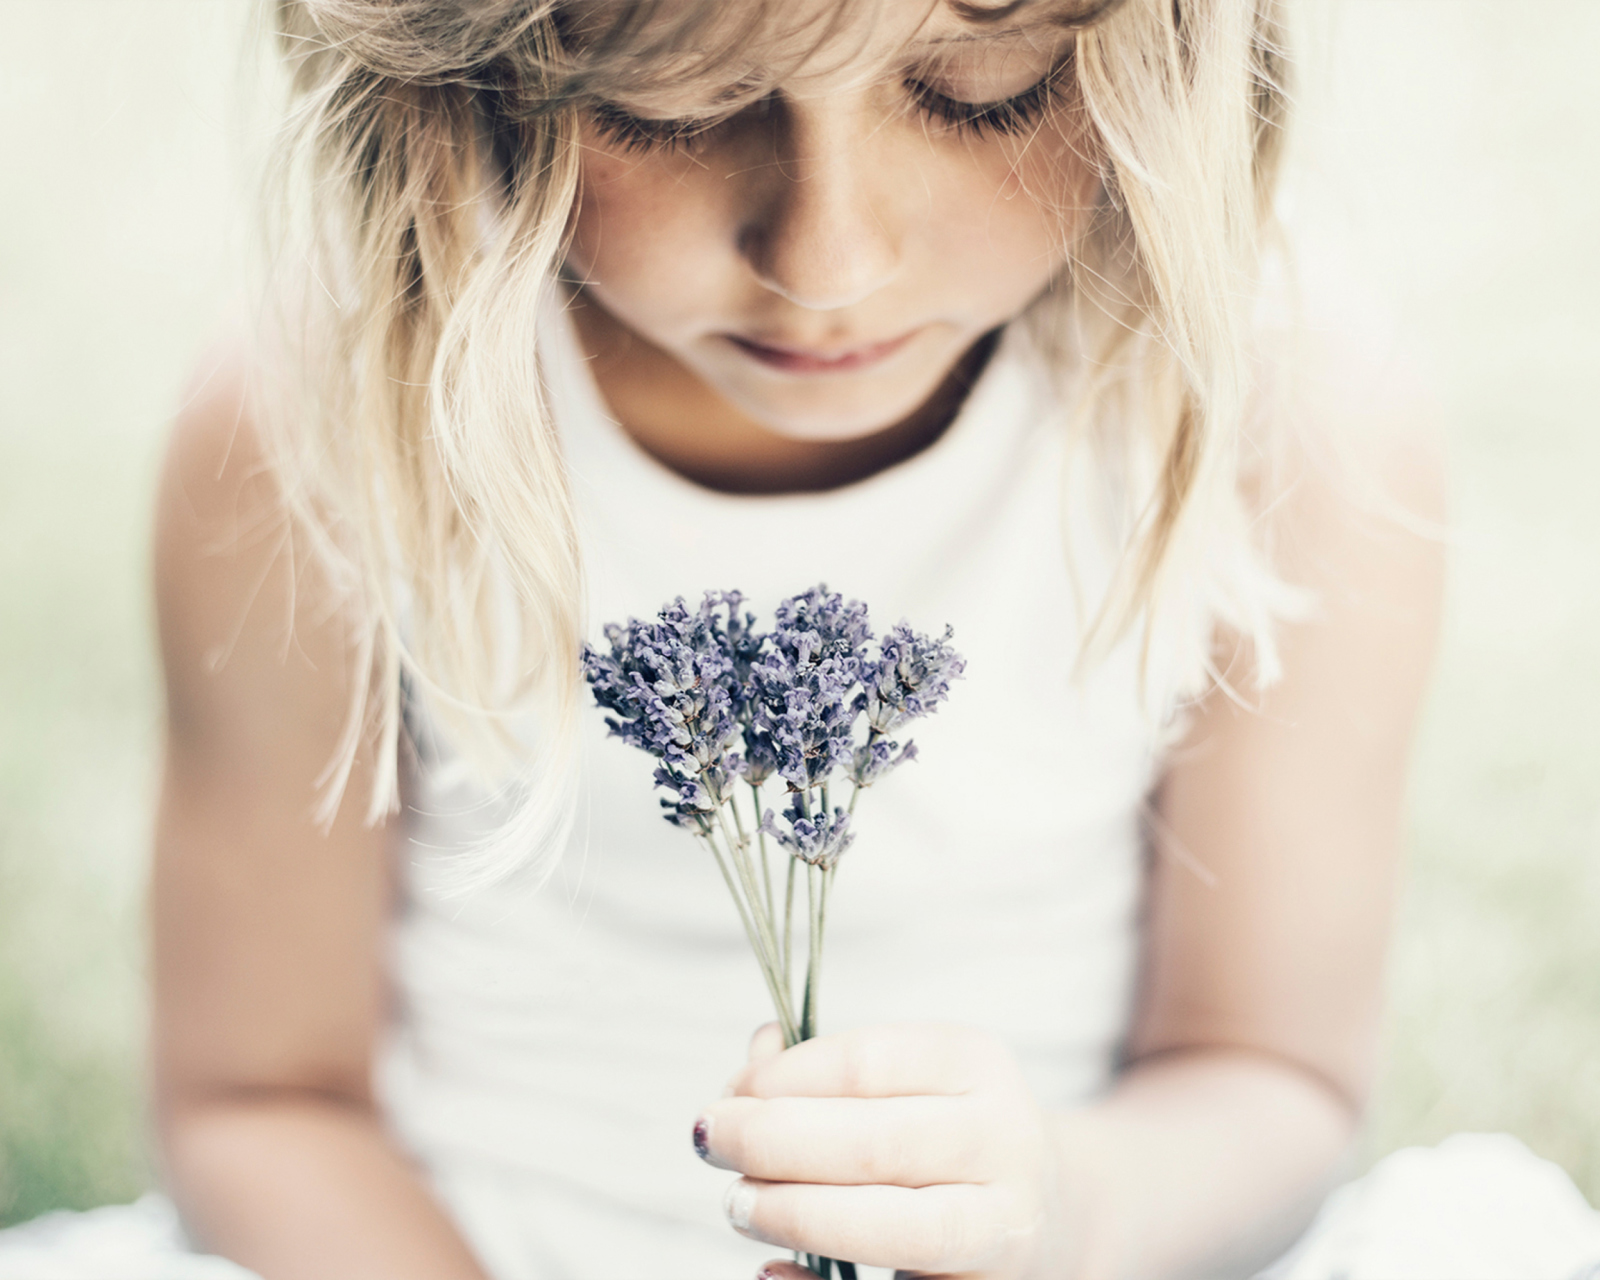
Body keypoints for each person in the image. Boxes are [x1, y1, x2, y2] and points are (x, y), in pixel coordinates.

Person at [142, 0, 1449, 1277]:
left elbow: (1270, 1078)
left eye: (982, 89)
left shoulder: (1284, 416)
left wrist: (1063, 1220)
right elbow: (259, 1101)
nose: (830, 263)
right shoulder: (323, 416)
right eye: (673, 105)